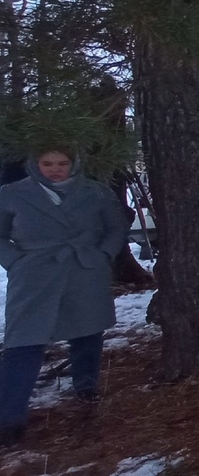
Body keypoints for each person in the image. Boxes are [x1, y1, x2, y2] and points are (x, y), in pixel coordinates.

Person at [0, 149, 128, 445]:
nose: (55, 170)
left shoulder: (96, 192)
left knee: (87, 331)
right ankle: (10, 418)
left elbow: (116, 226)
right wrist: (15, 261)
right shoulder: (12, 194)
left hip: (84, 270)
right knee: (24, 341)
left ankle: (86, 389)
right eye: (47, 163)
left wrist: (103, 254)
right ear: (34, 163)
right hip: (35, 273)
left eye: (62, 163)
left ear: (75, 163)